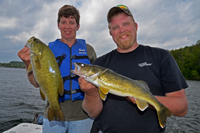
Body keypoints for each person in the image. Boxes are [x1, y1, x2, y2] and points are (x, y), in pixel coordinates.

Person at [78, 4, 188, 133]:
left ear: (136, 26)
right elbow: (92, 113)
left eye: (126, 24)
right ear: (111, 33)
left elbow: (182, 108)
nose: (121, 30)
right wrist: (91, 93)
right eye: (115, 27)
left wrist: (147, 100)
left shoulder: (161, 57)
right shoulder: (100, 63)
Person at [18, 5, 97, 133]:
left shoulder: (89, 50)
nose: (67, 26)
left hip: (83, 115)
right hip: (53, 114)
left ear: (78, 26)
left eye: (72, 22)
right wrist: (28, 64)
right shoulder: (47, 50)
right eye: (63, 22)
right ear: (58, 25)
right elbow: (36, 83)